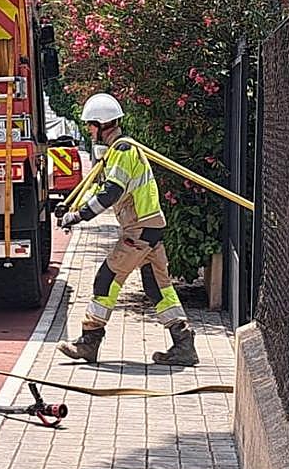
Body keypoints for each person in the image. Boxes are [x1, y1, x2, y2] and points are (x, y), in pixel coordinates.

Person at [55, 93, 198, 366]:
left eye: (90, 125)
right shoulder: (118, 152)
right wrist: (72, 207)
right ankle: (184, 344)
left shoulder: (122, 151)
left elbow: (110, 193)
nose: (88, 129)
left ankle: (89, 342)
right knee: (158, 287)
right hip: (150, 228)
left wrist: (79, 216)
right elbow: (99, 189)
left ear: (101, 123)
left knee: (106, 279)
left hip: (139, 230)